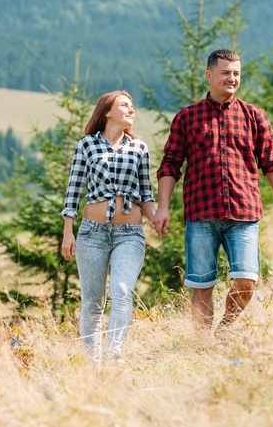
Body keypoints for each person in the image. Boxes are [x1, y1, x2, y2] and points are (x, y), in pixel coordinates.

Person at [153, 49, 273, 330]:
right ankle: (202, 347)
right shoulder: (186, 118)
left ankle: (224, 329)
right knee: (202, 286)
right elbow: (170, 165)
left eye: (236, 73)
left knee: (246, 281)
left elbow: (272, 164)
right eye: (225, 73)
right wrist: (162, 208)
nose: (232, 78)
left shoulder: (255, 116)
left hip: (245, 213)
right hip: (201, 214)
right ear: (209, 75)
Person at [61, 90, 157, 363]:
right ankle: (93, 365)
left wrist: (157, 217)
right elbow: (73, 190)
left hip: (130, 234)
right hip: (92, 233)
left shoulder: (140, 148)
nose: (131, 109)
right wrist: (68, 231)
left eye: (132, 105)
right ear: (107, 112)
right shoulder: (87, 145)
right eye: (124, 104)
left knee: (122, 291)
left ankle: (114, 355)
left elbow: (145, 193)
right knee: (92, 303)